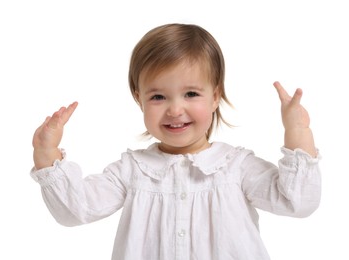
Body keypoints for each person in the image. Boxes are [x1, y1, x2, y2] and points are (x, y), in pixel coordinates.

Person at [31, 23, 321, 260]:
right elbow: (74, 211)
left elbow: (297, 202)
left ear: (216, 95)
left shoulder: (236, 167)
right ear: (139, 99)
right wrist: (46, 152)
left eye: (191, 94)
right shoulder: (133, 170)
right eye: (158, 96)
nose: (174, 109)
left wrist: (297, 129)